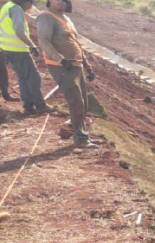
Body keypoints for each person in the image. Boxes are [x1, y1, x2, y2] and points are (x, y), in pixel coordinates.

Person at [37, 0, 97, 146]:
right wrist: (61, 60)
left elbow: (75, 43)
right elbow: (44, 42)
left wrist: (87, 65)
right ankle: (80, 138)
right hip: (62, 66)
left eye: (64, 0)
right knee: (76, 101)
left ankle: (82, 133)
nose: (61, 2)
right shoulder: (46, 17)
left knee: (83, 102)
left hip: (76, 65)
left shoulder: (66, 19)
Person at [0, 0, 51, 114]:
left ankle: (28, 107)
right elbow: (19, 30)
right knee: (34, 77)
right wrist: (31, 45)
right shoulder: (17, 9)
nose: (31, 6)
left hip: (7, 49)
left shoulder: (7, 6)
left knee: (23, 77)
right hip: (18, 49)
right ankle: (40, 105)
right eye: (31, 3)